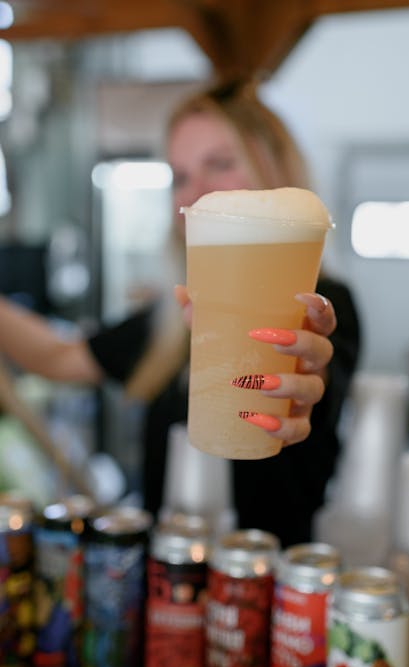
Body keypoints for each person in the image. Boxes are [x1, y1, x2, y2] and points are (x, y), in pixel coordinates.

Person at [0, 79, 361, 547]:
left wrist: (293, 381)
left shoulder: (325, 305)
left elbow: (319, 377)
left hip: (266, 586)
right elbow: (59, 357)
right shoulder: (177, 317)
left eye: (221, 163)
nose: (199, 193)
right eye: (181, 177)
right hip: (167, 583)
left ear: (275, 166)